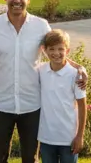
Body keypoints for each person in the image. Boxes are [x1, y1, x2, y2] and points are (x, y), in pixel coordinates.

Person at [0, 0, 88, 163]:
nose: (17, 0)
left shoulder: (40, 26)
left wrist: (78, 66)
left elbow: (55, 50)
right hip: (1, 104)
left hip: (32, 105)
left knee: (30, 158)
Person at [37, 29, 87, 163]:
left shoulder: (75, 75)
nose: (56, 53)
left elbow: (82, 106)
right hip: (46, 137)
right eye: (51, 49)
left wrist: (79, 136)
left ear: (67, 51)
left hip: (69, 137)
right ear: (44, 50)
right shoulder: (40, 70)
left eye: (61, 49)